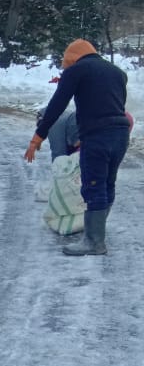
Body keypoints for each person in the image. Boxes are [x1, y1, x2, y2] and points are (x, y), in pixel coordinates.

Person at [24, 39, 131, 255]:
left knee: (93, 185)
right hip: (121, 134)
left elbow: (57, 105)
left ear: (72, 58)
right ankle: (95, 233)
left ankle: (94, 241)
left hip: (97, 137)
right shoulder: (118, 73)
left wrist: (37, 138)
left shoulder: (77, 70)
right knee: (108, 182)